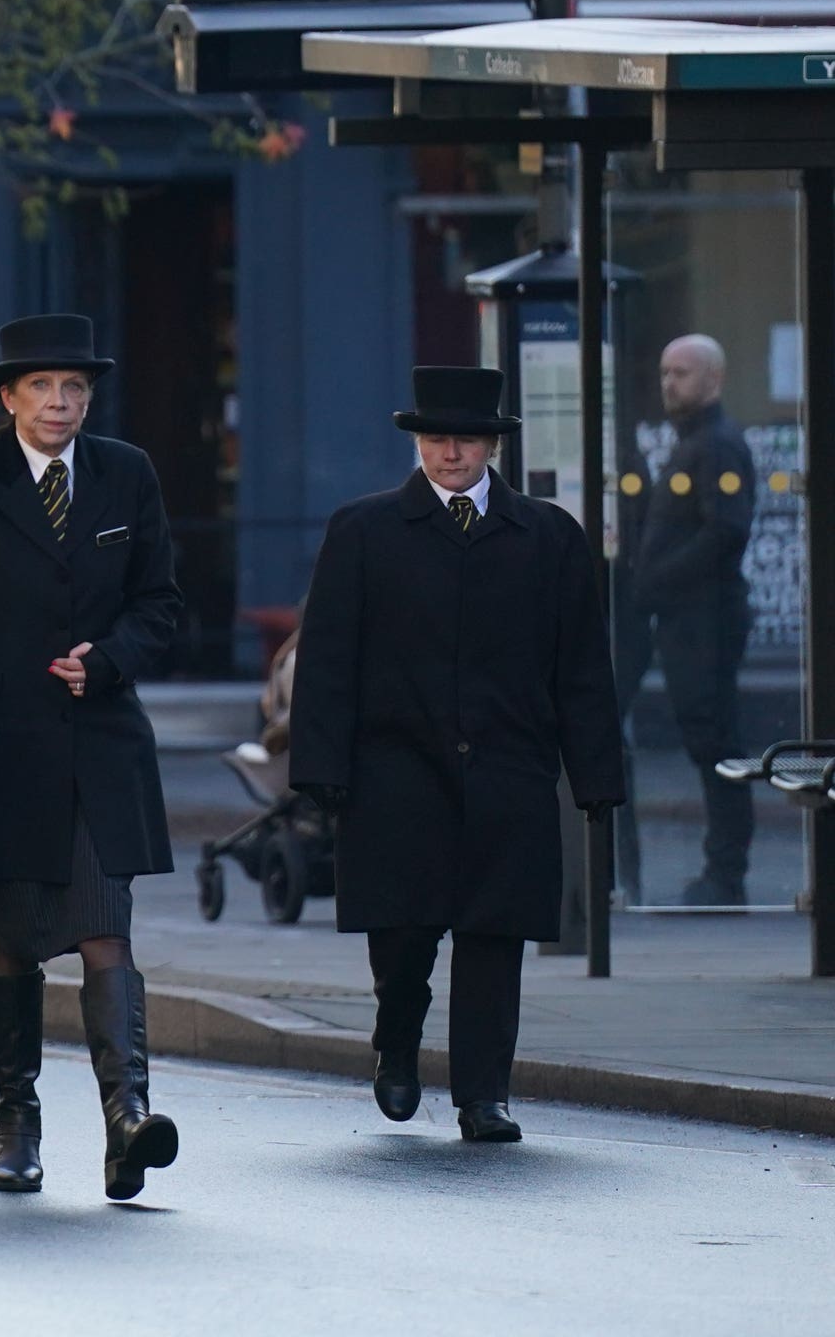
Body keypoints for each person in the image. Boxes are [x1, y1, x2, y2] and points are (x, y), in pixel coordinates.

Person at [0, 313, 185, 1201]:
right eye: (44, 389)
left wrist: (113, 656)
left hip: (99, 748)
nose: (61, 404)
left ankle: (128, 1119)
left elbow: (162, 605)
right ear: (9, 398)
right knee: (14, 943)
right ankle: (16, 1120)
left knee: (106, 928)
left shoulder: (126, 474)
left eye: (76, 390)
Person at [289, 367, 628, 1144]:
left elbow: (580, 668)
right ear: (417, 443)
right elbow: (329, 659)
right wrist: (321, 769)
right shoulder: (364, 530)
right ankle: (397, 1042)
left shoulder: (548, 536)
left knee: (494, 933)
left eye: (466, 439)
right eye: (437, 439)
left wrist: (596, 776)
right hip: (396, 770)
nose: (450, 453)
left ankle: (485, 1093)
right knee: (404, 934)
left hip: (509, 767)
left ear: (491, 445)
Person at [621, 335, 758, 906]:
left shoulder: (718, 446)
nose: (669, 382)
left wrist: (655, 581)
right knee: (708, 741)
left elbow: (724, 531)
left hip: (706, 620)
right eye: (664, 372)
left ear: (714, 380)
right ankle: (721, 871)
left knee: (715, 743)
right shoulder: (691, 444)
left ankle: (725, 875)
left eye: (682, 372)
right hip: (682, 619)